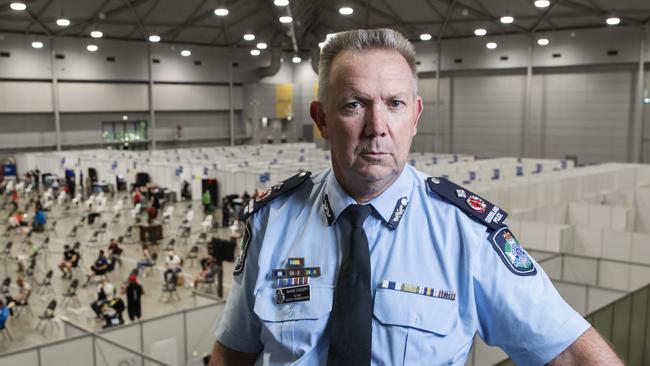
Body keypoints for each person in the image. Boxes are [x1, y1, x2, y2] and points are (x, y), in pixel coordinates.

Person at [209, 29, 622, 366]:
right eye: (354, 104)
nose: (377, 126)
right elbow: (233, 353)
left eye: (395, 104)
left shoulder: (466, 234)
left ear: (415, 116)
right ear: (321, 120)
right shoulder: (273, 221)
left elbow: (571, 354)